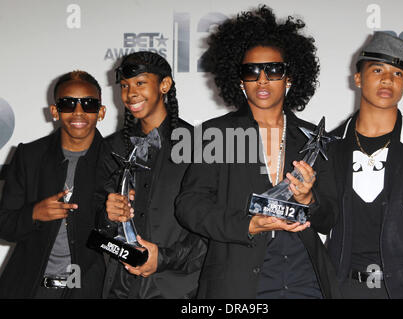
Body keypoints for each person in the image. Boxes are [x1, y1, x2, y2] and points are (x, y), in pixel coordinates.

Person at [175, 6, 340, 299]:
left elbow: (330, 217)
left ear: (289, 77)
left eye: (273, 69)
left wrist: (308, 199)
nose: (262, 79)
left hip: (305, 279)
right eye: (251, 71)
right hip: (237, 281)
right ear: (239, 80)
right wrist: (247, 224)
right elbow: (189, 206)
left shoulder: (314, 137)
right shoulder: (216, 135)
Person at [326, 31, 403, 298]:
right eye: (378, 69)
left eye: (398, 74)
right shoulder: (329, 147)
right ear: (358, 78)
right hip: (340, 289)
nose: (387, 79)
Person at [95, 51, 206, 299]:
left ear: (164, 85)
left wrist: (163, 258)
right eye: (124, 86)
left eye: (140, 83)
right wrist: (107, 214)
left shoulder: (197, 146)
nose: (130, 93)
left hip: (178, 290)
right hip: (119, 289)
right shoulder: (110, 148)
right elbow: (95, 224)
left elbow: (210, 227)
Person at [0, 70, 107, 298]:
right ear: (55, 111)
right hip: (31, 287)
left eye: (88, 104)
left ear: (101, 112)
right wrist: (34, 213)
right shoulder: (29, 155)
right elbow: (4, 224)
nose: (78, 112)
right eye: (68, 104)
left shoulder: (117, 159)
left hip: (90, 290)